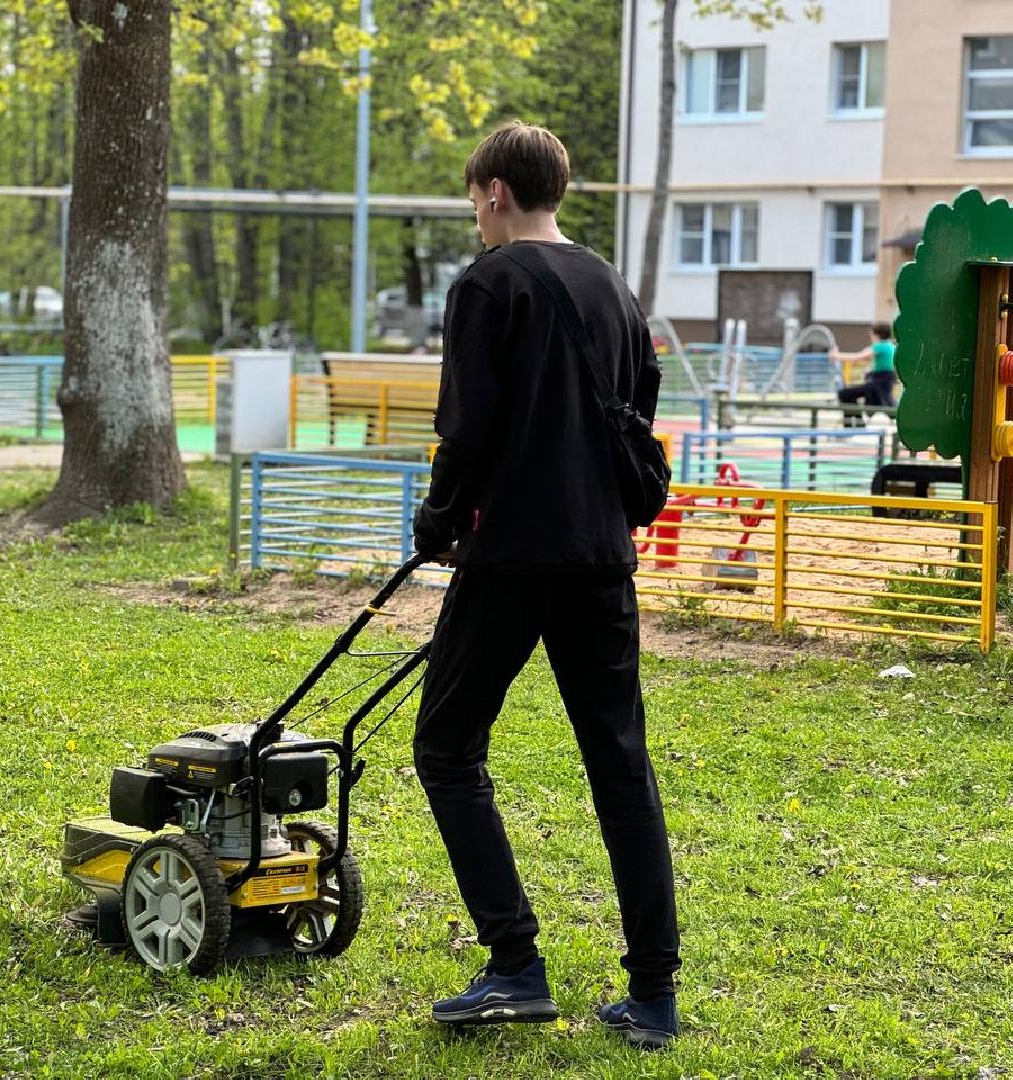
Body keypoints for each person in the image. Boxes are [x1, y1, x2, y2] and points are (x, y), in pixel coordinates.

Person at [411, 122, 681, 1049]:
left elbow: (469, 429)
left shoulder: (489, 284)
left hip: (513, 557)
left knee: (446, 747)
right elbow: (639, 410)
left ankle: (516, 966)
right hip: (602, 557)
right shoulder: (613, 284)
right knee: (619, 764)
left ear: (493, 190)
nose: (475, 214)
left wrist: (437, 521)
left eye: (472, 197)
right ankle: (652, 993)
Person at [831, 323, 897, 427]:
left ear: (876, 335)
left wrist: (837, 355)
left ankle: (856, 425)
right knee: (848, 394)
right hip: (883, 383)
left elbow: (857, 357)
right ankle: (858, 423)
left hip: (877, 385)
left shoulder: (880, 346)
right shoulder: (890, 346)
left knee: (844, 393)